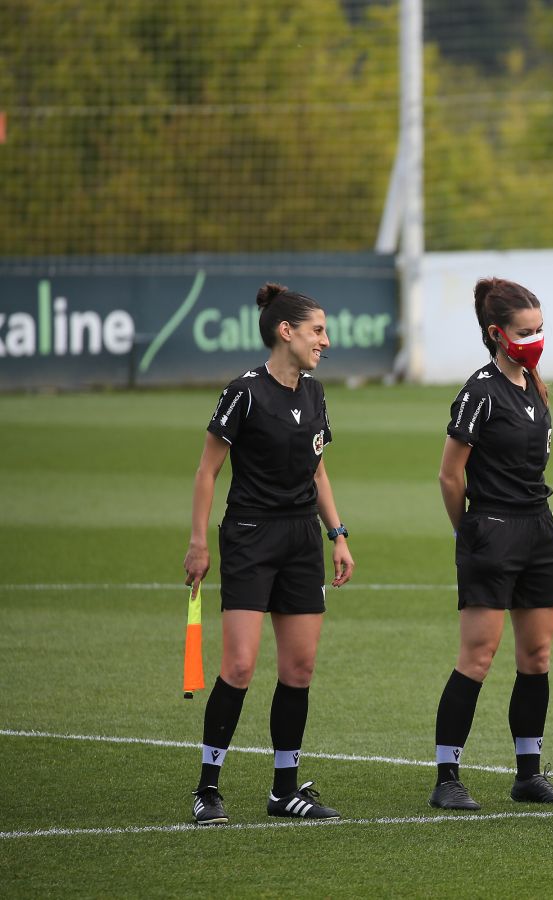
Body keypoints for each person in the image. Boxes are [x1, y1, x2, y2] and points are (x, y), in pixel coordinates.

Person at [183, 282, 355, 826]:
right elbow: (207, 471)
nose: (325, 341)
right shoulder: (244, 392)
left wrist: (337, 533)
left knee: (299, 668)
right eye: (317, 330)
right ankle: (207, 787)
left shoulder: (315, 393)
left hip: (301, 539)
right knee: (238, 666)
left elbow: (318, 470)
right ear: (286, 331)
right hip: (250, 537)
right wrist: (198, 542)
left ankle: (284, 790)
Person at [429, 277, 553, 811]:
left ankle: (528, 775)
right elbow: (450, 475)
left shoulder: (534, 384)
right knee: (478, 657)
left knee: (537, 656)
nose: (535, 340)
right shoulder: (479, 391)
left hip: (539, 529)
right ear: (496, 333)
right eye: (524, 332)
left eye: (539, 330)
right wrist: (466, 530)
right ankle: (447, 776)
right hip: (492, 529)